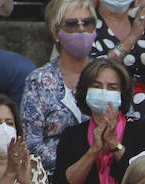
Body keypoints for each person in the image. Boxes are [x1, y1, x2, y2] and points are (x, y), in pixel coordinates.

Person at [21, 0, 96, 174]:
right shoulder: (38, 80)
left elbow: (127, 124)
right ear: (56, 32)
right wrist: (81, 159)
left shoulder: (108, 74)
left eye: (88, 22)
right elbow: (31, 146)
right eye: (71, 24)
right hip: (55, 179)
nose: (81, 29)